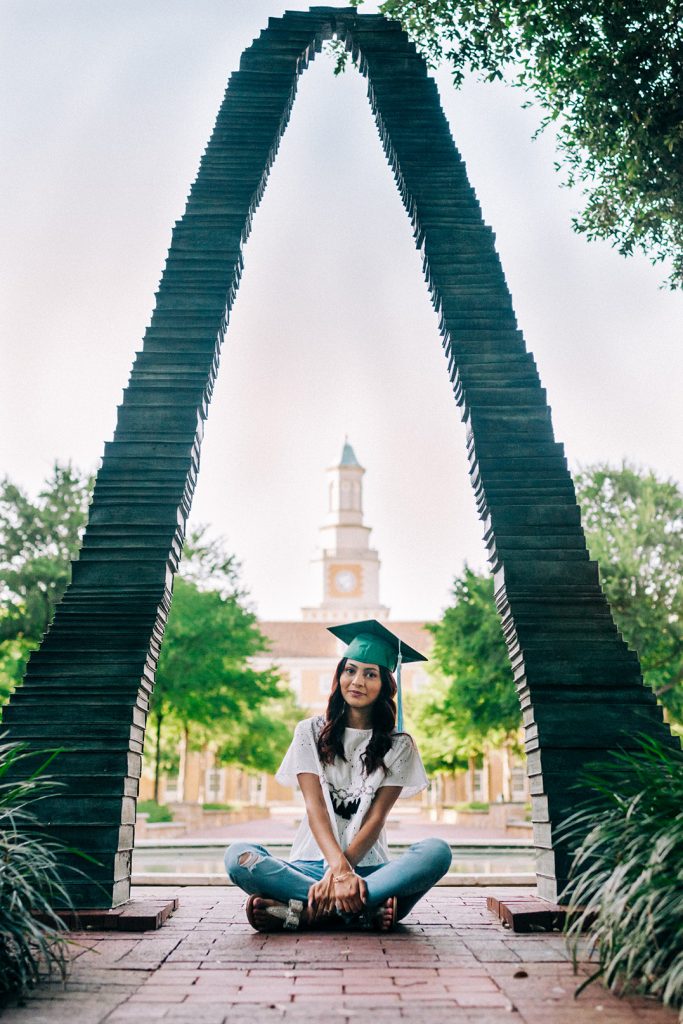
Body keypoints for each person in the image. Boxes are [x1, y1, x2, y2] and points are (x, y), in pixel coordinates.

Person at [225, 619, 452, 932]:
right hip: (308, 867)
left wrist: (347, 872)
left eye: (370, 674)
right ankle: (360, 912)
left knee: (437, 852)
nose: (357, 681)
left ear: (385, 683)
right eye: (350, 670)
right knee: (238, 857)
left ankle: (303, 914)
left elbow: (375, 819)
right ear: (339, 676)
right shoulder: (309, 732)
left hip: (370, 871)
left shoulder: (400, 746)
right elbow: (316, 809)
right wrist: (338, 871)